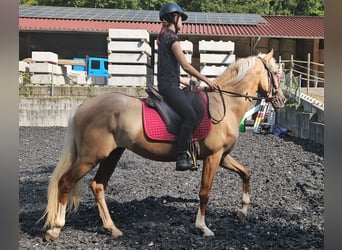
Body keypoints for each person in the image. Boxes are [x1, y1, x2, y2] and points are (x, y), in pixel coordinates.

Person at [157, 2, 217, 171]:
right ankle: (181, 155)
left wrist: (187, 82)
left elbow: (170, 71)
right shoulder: (172, 39)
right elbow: (186, 66)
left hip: (168, 84)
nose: (182, 25)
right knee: (189, 115)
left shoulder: (162, 37)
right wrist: (207, 80)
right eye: (181, 20)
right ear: (174, 18)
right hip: (169, 87)